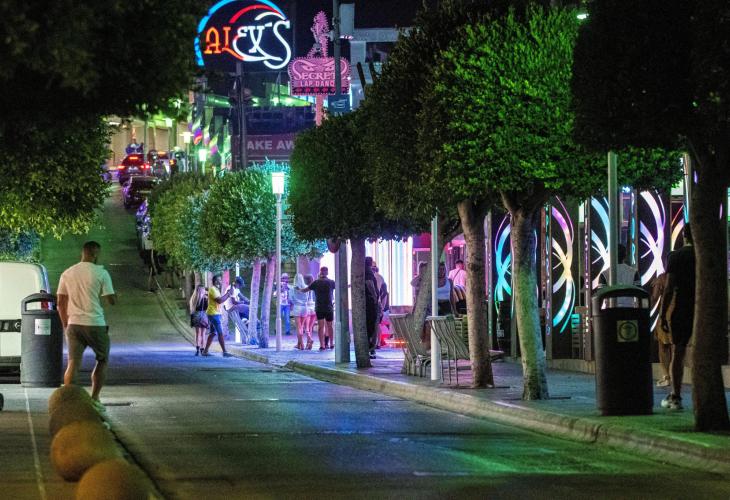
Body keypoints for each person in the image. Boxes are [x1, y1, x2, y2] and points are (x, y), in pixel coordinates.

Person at [57, 241, 116, 413]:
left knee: (73, 363)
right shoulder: (101, 273)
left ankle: (69, 403)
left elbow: (60, 302)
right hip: (95, 323)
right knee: (102, 360)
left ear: (82, 253)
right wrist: (114, 297)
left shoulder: (67, 273)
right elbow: (111, 300)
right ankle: (95, 398)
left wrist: (65, 324)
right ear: (95, 254)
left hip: (74, 324)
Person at [660, 225, 695, 411]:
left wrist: (663, 314)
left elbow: (668, 288)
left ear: (684, 236)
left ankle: (676, 395)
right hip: (702, 308)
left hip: (682, 308)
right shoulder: (706, 256)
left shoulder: (675, 257)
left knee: (678, 352)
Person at [297, 267, 335, 350]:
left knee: (321, 327)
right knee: (330, 326)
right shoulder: (331, 282)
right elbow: (340, 287)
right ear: (327, 273)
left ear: (320, 272)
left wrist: (299, 289)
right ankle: (331, 343)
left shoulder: (316, 282)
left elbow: (305, 290)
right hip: (329, 307)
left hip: (319, 308)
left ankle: (322, 345)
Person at [202, 275, 233, 357]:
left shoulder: (216, 289)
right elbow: (220, 300)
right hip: (213, 314)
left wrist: (227, 294)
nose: (221, 281)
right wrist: (228, 294)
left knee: (213, 333)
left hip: (215, 313)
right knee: (220, 333)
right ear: (216, 281)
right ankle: (225, 352)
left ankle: (205, 351)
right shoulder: (213, 289)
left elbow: (220, 300)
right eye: (219, 280)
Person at [651, 272, 672, 387]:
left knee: (663, 346)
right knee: (677, 348)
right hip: (681, 315)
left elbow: (654, 297)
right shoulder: (686, 277)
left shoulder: (662, 278)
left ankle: (666, 376)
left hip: (666, 315)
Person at [365, 257, 381, 359]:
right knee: (372, 325)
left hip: (369, 302)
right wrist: (374, 296)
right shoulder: (368, 272)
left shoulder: (364, 271)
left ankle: (370, 346)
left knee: (371, 325)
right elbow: (369, 283)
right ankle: (371, 347)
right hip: (370, 303)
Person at [290, 274, 310, 350]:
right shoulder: (306, 287)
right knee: (301, 326)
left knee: (299, 327)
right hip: (304, 307)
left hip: (297, 307)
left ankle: (301, 344)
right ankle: (299, 344)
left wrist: (296, 301)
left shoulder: (292, 288)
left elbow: (291, 299)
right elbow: (307, 298)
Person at [189, 285, 209, 356]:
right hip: (203, 317)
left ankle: (197, 349)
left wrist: (192, 321)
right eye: (203, 290)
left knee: (197, 333)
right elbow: (207, 309)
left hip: (196, 317)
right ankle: (202, 349)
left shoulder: (193, 299)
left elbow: (192, 311)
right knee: (203, 334)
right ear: (202, 290)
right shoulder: (205, 299)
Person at [304, 275, 317, 349]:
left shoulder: (306, 288)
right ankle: (308, 344)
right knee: (310, 327)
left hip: (307, 307)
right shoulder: (315, 288)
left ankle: (310, 339)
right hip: (314, 307)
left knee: (306, 327)